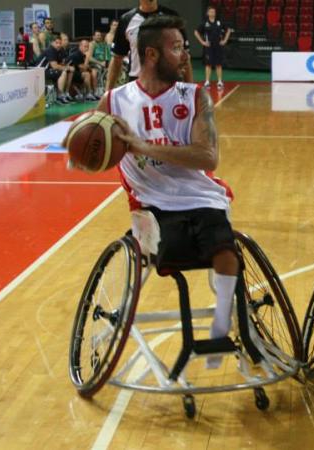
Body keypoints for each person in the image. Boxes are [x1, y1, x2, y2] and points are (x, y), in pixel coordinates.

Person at [90, 15, 262, 370]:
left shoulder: (196, 96)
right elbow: (89, 151)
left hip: (200, 196)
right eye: (177, 47)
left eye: (184, 47)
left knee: (225, 250)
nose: (185, 55)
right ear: (151, 54)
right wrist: (97, 146)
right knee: (177, 254)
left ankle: (219, 329)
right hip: (149, 205)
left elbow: (208, 156)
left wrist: (142, 146)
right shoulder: (113, 101)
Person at [106, 0, 192, 91]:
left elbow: (185, 56)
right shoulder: (126, 20)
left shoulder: (172, 18)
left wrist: (190, 91)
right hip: (137, 82)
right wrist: (107, 93)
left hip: (169, 81)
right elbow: (117, 58)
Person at [194, 6, 231, 90]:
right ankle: (207, 82)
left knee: (218, 64)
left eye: (213, 12)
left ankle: (220, 82)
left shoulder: (219, 22)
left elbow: (228, 30)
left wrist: (224, 40)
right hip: (209, 47)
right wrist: (202, 42)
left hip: (218, 46)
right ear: (207, 13)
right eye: (210, 12)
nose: (212, 13)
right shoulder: (204, 23)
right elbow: (196, 32)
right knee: (208, 64)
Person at [43, 35, 75, 104]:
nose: (58, 45)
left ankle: (66, 93)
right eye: (56, 43)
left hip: (50, 70)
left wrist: (67, 67)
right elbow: (54, 66)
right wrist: (67, 67)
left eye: (60, 43)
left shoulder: (59, 50)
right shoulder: (50, 50)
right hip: (41, 71)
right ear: (52, 43)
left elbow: (61, 63)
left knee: (70, 72)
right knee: (63, 72)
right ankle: (59, 96)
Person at [87, 30, 112, 95]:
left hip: (103, 64)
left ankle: (107, 90)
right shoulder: (92, 44)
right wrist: (100, 63)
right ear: (93, 36)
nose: (99, 37)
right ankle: (96, 91)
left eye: (100, 35)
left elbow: (107, 56)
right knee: (96, 71)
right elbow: (89, 58)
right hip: (93, 64)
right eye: (97, 35)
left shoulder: (103, 44)